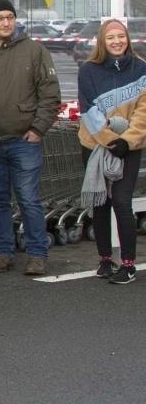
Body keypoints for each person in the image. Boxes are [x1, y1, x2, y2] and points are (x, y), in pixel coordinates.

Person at [0, 0, 61, 276]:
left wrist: (37, 129)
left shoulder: (34, 50)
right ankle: (4, 253)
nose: (6, 23)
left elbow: (50, 94)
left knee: (28, 198)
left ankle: (37, 254)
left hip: (24, 141)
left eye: (10, 17)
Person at [77, 19, 146, 283]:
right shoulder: (88, 71)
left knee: (121, 201)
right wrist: (108, 140)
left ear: (127, 39)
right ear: (102, 42)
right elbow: (88, 111)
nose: (117, 41)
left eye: (121, 36)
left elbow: (143, 113)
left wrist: (126, 142)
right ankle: (105, 259)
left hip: (129, 145)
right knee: (101, 203)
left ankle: (128, 264)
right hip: (94, 145)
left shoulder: (141, 69)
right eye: (110, 37)